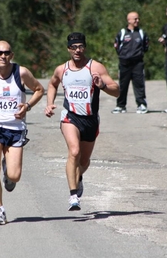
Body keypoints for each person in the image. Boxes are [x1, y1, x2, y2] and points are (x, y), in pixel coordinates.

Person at [44, 32, 119, 211]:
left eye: (80, 47)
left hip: (91, 120)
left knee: (84, 162)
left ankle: (77, 178)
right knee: (74, 151)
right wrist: (49, 103)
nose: (77, 50)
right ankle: (73, 196)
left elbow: (116, 91)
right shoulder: (62, 69)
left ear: (84, 47)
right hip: (70, 117)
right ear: (68, 49)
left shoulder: (95, 67)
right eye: (73, 47)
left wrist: (102, 85)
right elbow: (53, 84)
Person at [0, 40, 45, 225]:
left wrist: (27, 106)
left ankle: (8, 170)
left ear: (11, 55)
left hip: (15, 128)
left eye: (6, 53)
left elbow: (39, 89)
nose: (3, 56)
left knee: (14, 176)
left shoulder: (21, 73)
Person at [112, 11, 149, 114]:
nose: (137, 20)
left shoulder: (141, 33)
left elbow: (145, 46)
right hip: (124, 63)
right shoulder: (122, 33)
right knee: (123, 85)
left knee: (139, 84)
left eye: (138, 19)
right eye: (135, 19)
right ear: (129, 20)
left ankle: (141, 104)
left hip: (138, 63)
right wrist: (124, 56)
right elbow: (117, 46)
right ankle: (121, 106)